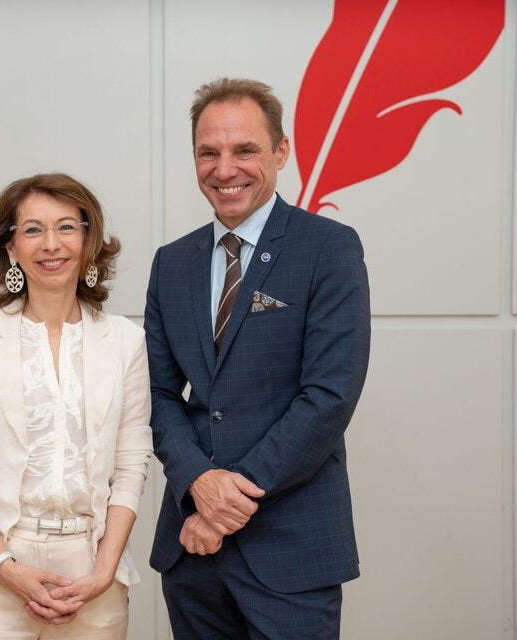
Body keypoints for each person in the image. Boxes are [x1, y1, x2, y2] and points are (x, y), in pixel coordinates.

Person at [146, 77, 371, 638]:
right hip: (191, 554)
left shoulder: (329, 247)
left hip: (290, 550)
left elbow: (329, 395)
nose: (225, 169)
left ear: (281, 151)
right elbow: (156, 393)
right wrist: (199, 482)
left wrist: (225, 501)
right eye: (209, 152)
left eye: (245, 150)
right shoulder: (170, 263)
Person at [0, 173, 153, 639]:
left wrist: (102, 571)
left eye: (66, 227)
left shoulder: (126, 342)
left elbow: (132, 463)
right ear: (10, 248)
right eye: (32, 229)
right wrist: (5, 566)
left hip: (93, 575)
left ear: (89, 239)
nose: (51, 244)